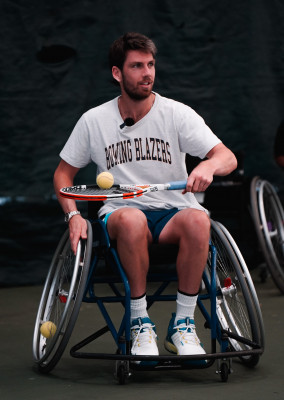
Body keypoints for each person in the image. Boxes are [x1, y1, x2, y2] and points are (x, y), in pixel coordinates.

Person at [54, 32, 237, 363]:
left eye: (150, 64)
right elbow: (63, 176)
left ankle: (182, 324)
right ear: (117, 73)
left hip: (173, 213)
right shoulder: (94, 121)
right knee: (132, 218)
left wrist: (209, 167)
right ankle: (140, 321)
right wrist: (73, 215)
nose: (147, 73)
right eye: (137, 66)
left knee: (198, 219)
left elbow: (226, 157)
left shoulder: (177, 114)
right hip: (122, 215)